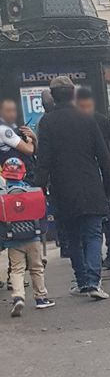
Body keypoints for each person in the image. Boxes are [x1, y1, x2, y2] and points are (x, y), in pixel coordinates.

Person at [35, 76, 110, 300]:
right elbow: (104, 157)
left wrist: (39, 190)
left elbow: (44, 162)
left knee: (72, 238)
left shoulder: (47, 123)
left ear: (52, 96)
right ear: (73, 94)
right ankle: (92, 281)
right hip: (91, 187)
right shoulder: (87, 120)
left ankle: (82, 281)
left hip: (63, 190)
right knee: (92, 235)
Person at [75, 88, 110, 280]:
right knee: (102, 229)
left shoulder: (99, 120)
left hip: (103, 179)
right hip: (94, 179)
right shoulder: (78, 123)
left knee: (107, 228)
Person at [1, 158, 56, 316]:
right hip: (33, 237)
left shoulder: (3, 195)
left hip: (12, 239)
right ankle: (41, 298)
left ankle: (18, 296)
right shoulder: (33, 192)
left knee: (17, 270)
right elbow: (42, 213)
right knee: (36, 268)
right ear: (23, 172)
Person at [0, 99, 37, 291]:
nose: (12, 114)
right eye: (8, 110)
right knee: (16, 232)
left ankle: (12, 274)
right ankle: (15, 276)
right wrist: (32, 138)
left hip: (6, 189)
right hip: (11, 189)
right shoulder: (5, 130)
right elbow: (29, 150)